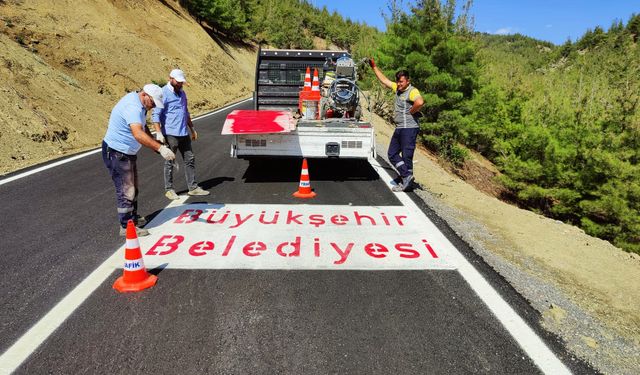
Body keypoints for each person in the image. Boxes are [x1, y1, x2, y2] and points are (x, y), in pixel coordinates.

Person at [102, 84, 176, 236]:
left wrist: (157, 144)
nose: (153, 106)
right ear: (145, 95)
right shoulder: (133, 106)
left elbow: (142, 127)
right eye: (153, 103)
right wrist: (159, 148)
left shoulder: (141, 105)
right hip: (117, 152)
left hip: (126, 152)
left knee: (133, 187)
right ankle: (126, 226)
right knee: (126, 190)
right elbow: (137, 133)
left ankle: (132, 218)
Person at [368, 58, 424, 192]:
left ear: (408, 81)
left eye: (401, 81)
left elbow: (420, 102)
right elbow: (384, 80)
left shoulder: (412, 91)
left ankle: (406, 179)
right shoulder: (398, 89)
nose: (399, 84)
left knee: (406, 156)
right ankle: (407, 176)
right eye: (398, 81)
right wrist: (374, 67)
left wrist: (411, 111)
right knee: (392, 153)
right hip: (400, 128)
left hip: (409, 129)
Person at [152, 69, 209, 200]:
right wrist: (158, 133)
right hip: (170, 133)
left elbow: (186, 112)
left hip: (183, 132)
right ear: (170, 78)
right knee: (170, 160)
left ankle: (193, 188)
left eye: (181, 82)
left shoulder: (182, 93)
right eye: (178, 82)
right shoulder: (163, 93)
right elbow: (156, 114)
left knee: (190, 159)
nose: (180, 84)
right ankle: (169, 189)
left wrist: (192, 128)